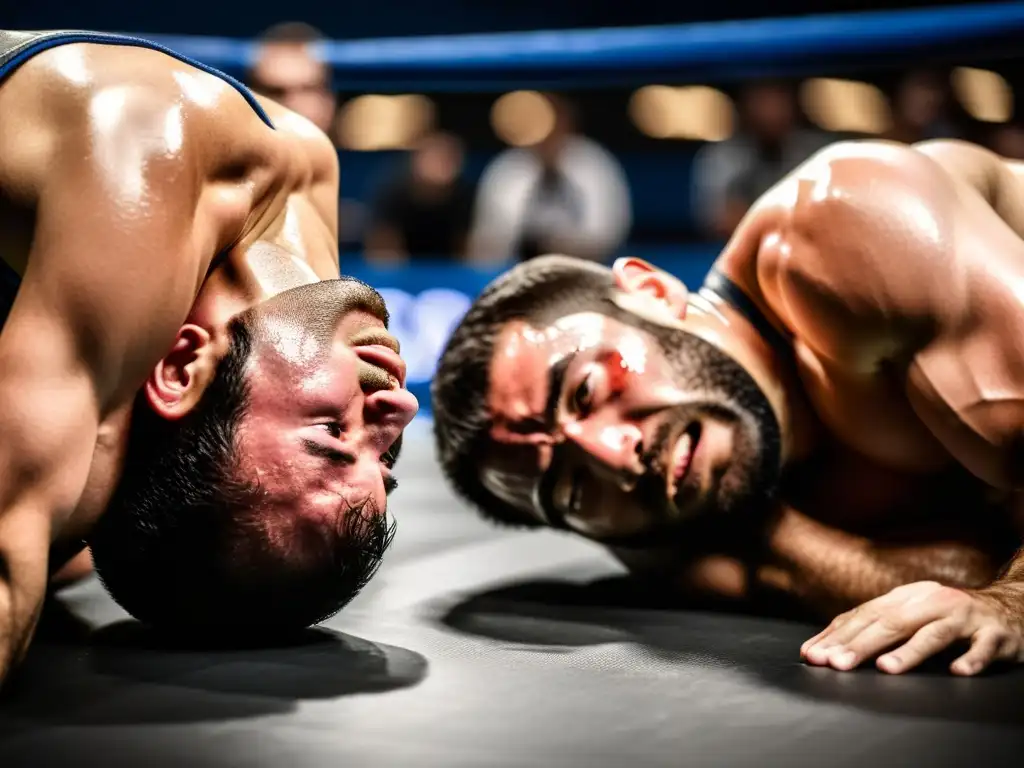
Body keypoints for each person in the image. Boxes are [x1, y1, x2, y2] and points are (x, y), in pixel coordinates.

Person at [432, 137, 1024, 677]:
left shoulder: (843, 233)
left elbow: (991, 580)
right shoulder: (646, 518)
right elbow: (960, 574)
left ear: (654, 290)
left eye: (586, 391)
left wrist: (1012, 602)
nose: (617, 458)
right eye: (571, 489)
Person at [0, 30, 417, 686]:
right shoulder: (307, 170)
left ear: (183, 368)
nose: (398, 407)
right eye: (386, 463)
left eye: (334, 434)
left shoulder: (151, 141)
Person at [468, 93, 632, 264]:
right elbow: (488, 242)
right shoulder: (507, 168)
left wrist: (559, 246)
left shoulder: (594, 162)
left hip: (587, 269)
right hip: (518, 271)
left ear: (567, 123)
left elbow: (607, 234)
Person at [364, 131, 475, 263]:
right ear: (417, 160)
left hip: (445, 266)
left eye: (449, 160)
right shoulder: (392, 190)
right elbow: (382, 250)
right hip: (400, 268)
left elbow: (463, 248)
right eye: (435, 159)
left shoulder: (464, 194)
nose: (441, 167)